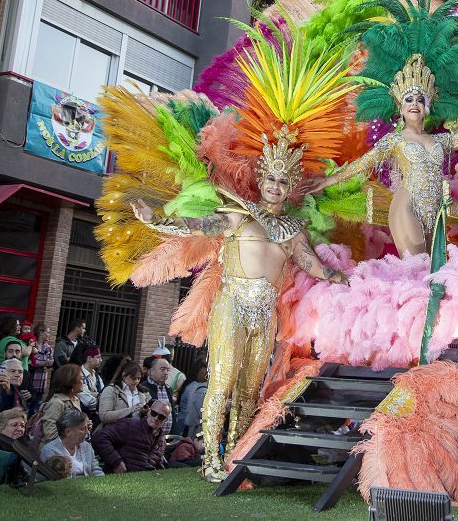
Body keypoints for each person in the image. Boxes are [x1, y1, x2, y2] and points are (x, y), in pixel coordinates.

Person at [131, 125, 351, 481]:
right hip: (232, 303)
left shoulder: (293, 229)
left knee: (250, 387)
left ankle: (236, 457)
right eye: (271, 179)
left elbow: (309, 261)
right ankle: (210, 460)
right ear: (261, 180)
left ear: (290, 187)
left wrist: (335, 275)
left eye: (283, 181)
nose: (275, 186)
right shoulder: (237, 214)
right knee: (221, 380)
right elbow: (197, 225)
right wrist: (157, 219)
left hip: (265, 311)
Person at [310, 53, 458, 257]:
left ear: (427, 107)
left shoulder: (440, 141)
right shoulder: (395, 140)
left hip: (434, 211)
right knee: (415, 264)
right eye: (408, 99)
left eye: (420, 100)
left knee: (432, 270)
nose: (414, 104)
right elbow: (363, 163)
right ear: (401, 107)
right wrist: (328, 181)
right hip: (406, 207)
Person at [92, 399, 170, 473]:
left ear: (165, 420)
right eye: (154, 413)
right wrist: (117, 462)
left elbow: (158, 462)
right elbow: (99, 437)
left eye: (161, 417)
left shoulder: (161, 440)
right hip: (122, 477)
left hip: (145, 480)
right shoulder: (130, 425)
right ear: (149, 412)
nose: (156, 418)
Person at [39, 410, 102, 477]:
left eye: (87, 427)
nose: (87, 432)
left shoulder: (86, 446)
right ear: (68, 432)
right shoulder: (49, 451)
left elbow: (96, 470)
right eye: (82, 429)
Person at [37, 364, 84, 447]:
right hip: (56, 452)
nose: (83, 381)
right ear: (71, 382)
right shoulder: (56, 403)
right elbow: (50, 435)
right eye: (81, 378)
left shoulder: (75, 399)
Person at [98, 358, 149, 428]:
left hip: (137, 432)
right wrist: (130, 410)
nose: (137, 381)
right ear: (123, 375)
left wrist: (145, 412)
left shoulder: (143, 392)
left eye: (139, 378)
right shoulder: (111, 390)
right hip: (114, 433)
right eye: (133, 378)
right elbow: (104, 416)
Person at [140, 357, 174, 436]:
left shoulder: (169, 389)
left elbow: (171, 414)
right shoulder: (143, 388)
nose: (166, 373)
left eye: (167, 370)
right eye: (162, 369)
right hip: (148, 436)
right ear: (151, 371)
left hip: (166, 438)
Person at [177, 361, 207, 437]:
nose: (206, 376)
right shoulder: (194, 387)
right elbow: (194, 410)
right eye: (204, 373)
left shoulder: (191, 384)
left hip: (185, 424)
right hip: (188, 427)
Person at [29, 322, 54, 408]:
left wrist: (50, 363)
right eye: (47, 332)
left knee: (36, 408)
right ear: (40, 332)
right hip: (31, 380)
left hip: (42, 383)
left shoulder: (48, 348)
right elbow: (28, 362)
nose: (49, 334)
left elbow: (51, 361)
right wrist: (42, 363)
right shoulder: (32, 345)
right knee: (28, 407)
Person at [77, 346, 104, 426]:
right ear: (89, 358)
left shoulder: (97, 376)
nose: (101, 360)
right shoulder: (79, 374)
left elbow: (103, 393)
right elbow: (87, 401)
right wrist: (100, 397)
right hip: (80, 419)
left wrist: (94, 394)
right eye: (98, 357)